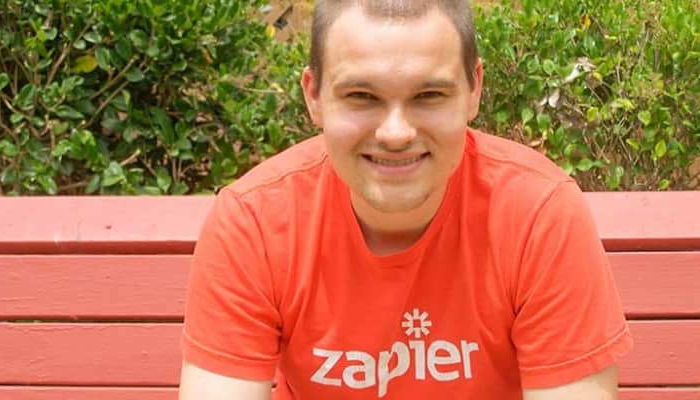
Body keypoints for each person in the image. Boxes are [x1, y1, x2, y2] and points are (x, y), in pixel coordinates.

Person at [178, 1, 633, 399]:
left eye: (428, 95)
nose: (395, 133)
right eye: (361, 96)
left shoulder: (539, 216)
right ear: (313, 96)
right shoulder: (254, 224)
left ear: (473, 90)